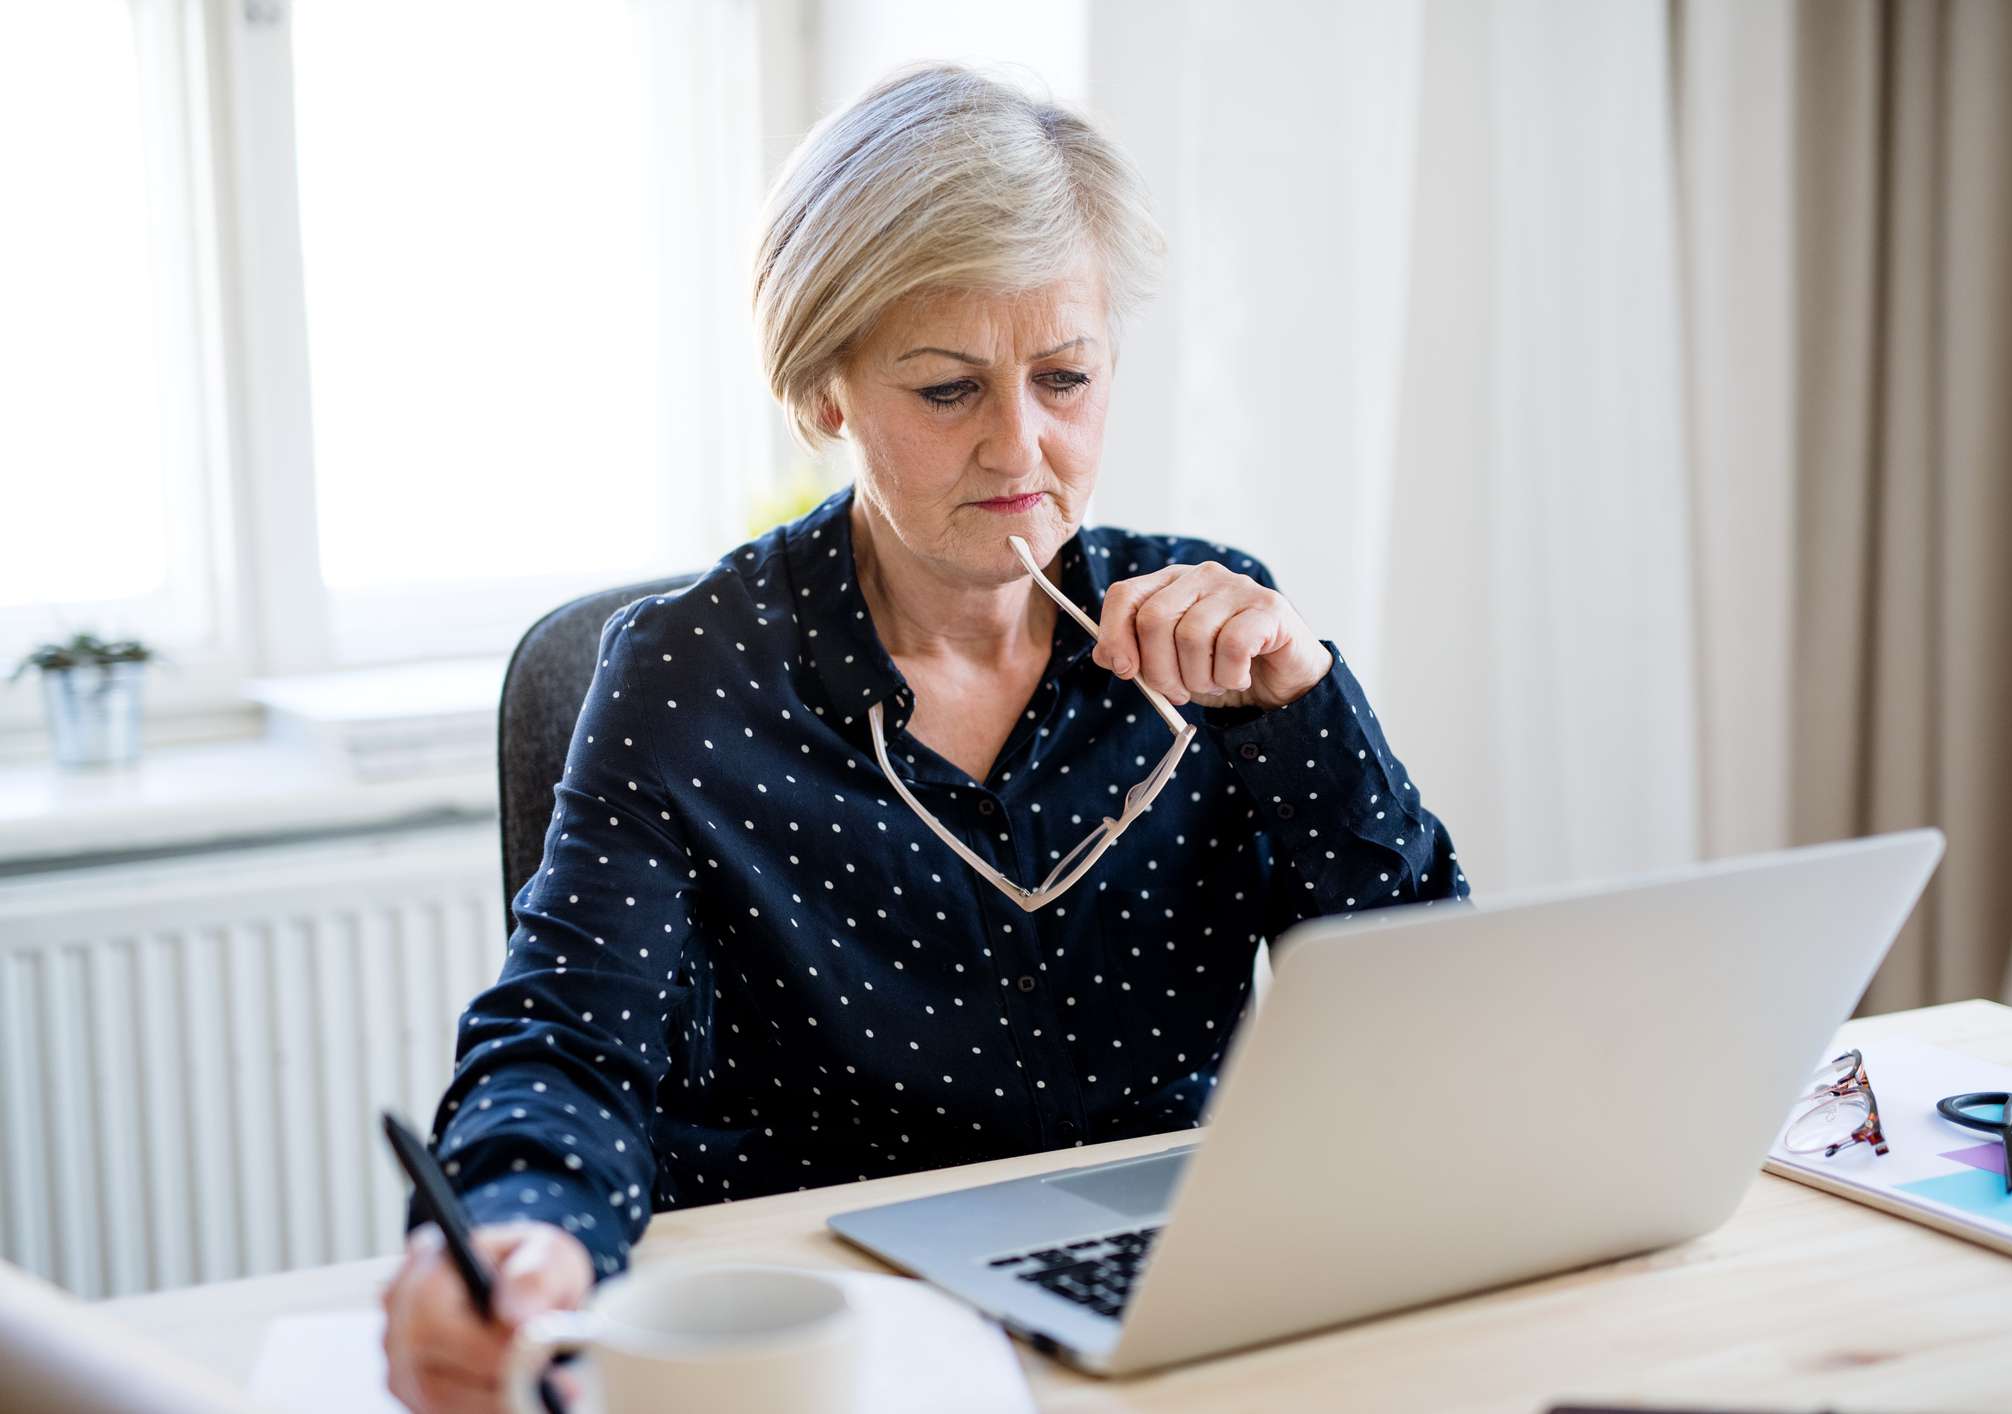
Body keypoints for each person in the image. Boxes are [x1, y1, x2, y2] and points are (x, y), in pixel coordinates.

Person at [382, 62, 1467, 1412]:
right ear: (825, 389)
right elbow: (564, 1040)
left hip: (1180, 1308)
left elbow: (1430, 1014)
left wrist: (1308, 711)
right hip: (824, 1337)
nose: (1021, 447)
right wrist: (516, 1225)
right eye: (947, 390)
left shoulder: (1214, 638)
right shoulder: (688, 671)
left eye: (1064, 377)